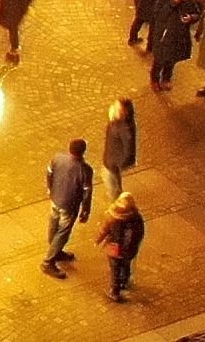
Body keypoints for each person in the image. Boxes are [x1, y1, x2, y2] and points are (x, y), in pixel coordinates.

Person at [41, 138, 93, 276]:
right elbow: (86, 192)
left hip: (55, 198)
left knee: (53, 224)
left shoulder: (58, 158)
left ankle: (55, 250)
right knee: (63, 232)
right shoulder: (85, 169)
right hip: (69, 205)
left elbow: (49, 173)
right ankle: (48, 262)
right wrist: (86, 210)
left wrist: (50, 189)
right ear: (83, 151)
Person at [147, 0, 198, 90]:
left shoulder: (188, 0)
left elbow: (196, 13)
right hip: (164, 36)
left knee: (172, 59)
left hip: (179, 36)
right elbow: (158, 15)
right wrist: (171, 4)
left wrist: (190, 18)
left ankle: (166, 78)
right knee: (160, 59)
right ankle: (155, 79)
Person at [97, 193, 145, 302]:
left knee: (115, 269)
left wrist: (98, 240)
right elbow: (140, 231)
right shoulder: (136, 217)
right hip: (129, 250)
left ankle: (114, 291)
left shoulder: (111, 216)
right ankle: (124, 281)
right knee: (126, 265)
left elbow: (104, 230)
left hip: (114, 249)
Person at [103, 99, 137, 200]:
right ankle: (118, 197)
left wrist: (119, 163)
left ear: (124, 112)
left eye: (117, 107)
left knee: (112, 185)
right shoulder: (119, 122)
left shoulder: (124, 128)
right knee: (114, 181)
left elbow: (129, 149)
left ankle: (117, 205)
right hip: (111, 159)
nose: (113, 107)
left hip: (112, 162)